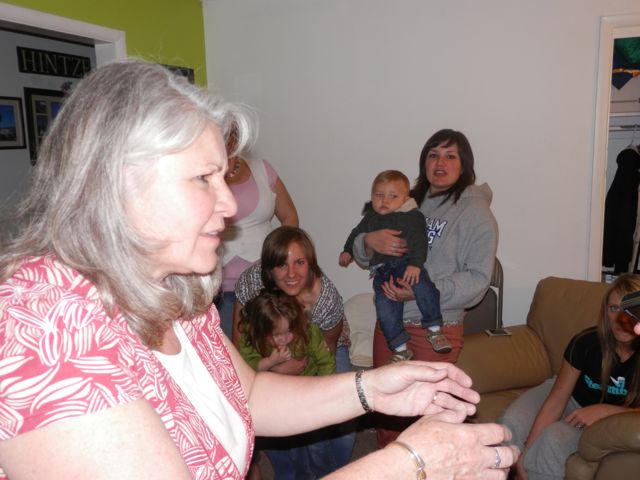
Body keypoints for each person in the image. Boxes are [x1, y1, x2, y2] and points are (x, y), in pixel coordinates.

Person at [0, 59, 518, 480]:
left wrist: (371, 388)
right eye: (203, 178)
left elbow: (247, 394)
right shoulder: (42, 331)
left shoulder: (174, 294)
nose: (229, 205)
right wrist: (409, 465)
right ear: (115, 183)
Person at [350, 129, 498, 447]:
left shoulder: (477, 214)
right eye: (433, 155)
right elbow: (364, 253)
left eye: (450, 155)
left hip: (435, 328)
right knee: (385, 412)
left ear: (464, 164)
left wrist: (419, 290)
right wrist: (368, 242)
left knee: (424, 420)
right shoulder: (404, 203)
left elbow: (477, 280)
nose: (440, 162)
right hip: (389, 322)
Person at [233, 225, 356, 472]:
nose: (291, 274)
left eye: (299, 262)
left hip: (321, 347)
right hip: (266, 351)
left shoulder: (326, 299)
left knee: (342, 421)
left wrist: (314, 393)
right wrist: (272, 371)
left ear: (310, 262)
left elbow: (326, 352)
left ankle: (335, 472)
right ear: (268, 269)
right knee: (272, 415)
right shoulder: (251, 282)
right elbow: (241, 345)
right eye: (281, 264)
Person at [499, 274, 640, 480]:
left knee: (553, 438)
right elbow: (557, 400)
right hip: (568, 395)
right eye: (613, 308)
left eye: (629, 310)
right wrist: (525, 455)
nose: (621, 318)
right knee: (510, 425)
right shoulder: (587, 342)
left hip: (614, 417)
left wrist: (606, 411)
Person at [340, 170, 450, 362]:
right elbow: (356, 232)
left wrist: (416, 264)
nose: (385, 201)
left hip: (407, 266)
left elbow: (419, 241)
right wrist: (348, 250)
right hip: (382, 272)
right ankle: (400, 349)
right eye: (379, 195)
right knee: (385, 310)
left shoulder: (412, 216)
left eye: (393, 196)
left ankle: (434, 328)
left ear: (405, 199)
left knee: (425, 289)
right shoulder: (371, 217)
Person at [238, 290, 336, 479]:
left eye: (289, 331)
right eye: (276, 335)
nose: (284, 339)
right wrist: (269, 362)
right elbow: (246, 369)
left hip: (310, 392)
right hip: (275, 397)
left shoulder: (308, 332)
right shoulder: (251, 338)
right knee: (290, 443)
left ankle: (327, 474)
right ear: (260, 330)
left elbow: (326, 361)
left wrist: (325, 393)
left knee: (318, 444)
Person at [217, 122, 298, 338]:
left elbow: (289, 217)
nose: (228, 140)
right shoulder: (203, 176)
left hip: (267, 284)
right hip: (222, 291)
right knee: (231, 350)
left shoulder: (263, 169)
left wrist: (278, 261)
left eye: (231, 135)